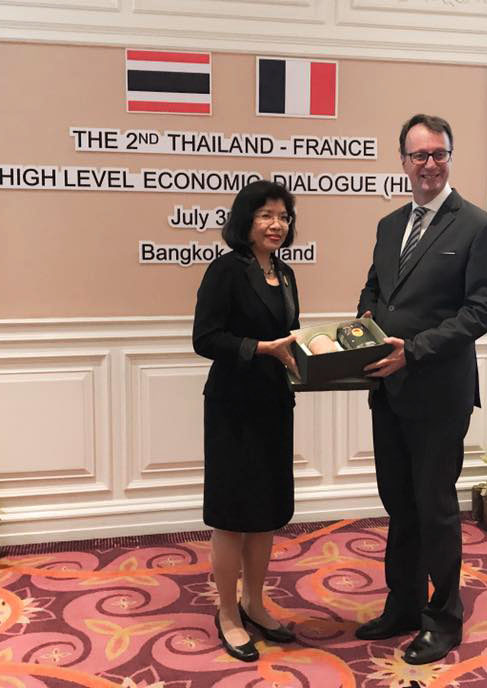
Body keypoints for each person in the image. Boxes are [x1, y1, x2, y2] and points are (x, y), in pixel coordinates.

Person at [355, 114, 487, 664]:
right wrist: (362, 329)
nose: (429, 164)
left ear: (449, 158)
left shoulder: (479, 226)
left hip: (439, 394)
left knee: (435, 507)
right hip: (387, 389)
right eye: (419, 155)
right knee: (398, 503)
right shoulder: (390, 224)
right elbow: (375, 289)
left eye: (438, 153)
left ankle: (444, 619)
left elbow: (484, 309)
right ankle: (403, 605)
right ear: (403, 161)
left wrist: (413, 350)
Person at [192, 180, 302, 662]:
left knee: (265, 511)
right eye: (266, 216)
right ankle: (228, 613)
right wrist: (259, 348)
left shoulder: (286, 273)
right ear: (246, 221)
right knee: (232, 514)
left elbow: (289, 338)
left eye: (283, 217)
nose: (277, 225)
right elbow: (205, 338)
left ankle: (254, 603)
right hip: (233, 405)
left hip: (274, 403)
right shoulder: (225, 270)